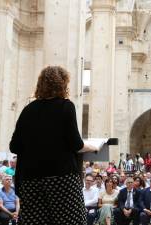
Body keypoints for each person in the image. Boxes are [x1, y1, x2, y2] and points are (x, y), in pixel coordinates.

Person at [9, 66, 99, 224]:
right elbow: (76, 144)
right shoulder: (66, 106)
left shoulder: (28, 109)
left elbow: (14, 147)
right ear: (63, 84)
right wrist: (93, 147)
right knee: (71, 221)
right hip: (61, 179)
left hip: (31, 180)